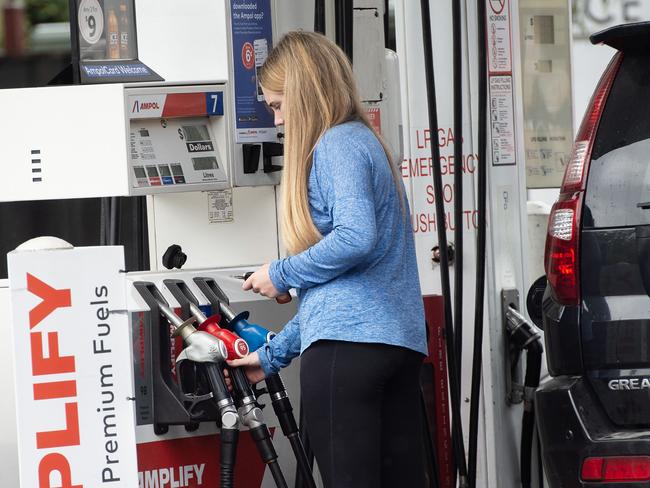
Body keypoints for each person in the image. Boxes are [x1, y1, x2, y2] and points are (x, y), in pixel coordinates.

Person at [228, 31, 428, 488]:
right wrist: (273, 355)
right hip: (397, 347)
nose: (276, 121)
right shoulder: (367, 143)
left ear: (304, 95)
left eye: (277, 105)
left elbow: (356, 238)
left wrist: (279, 273)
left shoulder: (335, 145)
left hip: (348, 356)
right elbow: (341, 292)